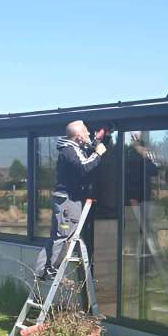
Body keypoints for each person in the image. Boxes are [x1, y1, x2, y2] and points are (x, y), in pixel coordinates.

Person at [34, 120, 107, 280]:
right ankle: (51, 271)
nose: (89, 133)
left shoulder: (72, 149)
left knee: (57, 236)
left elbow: (84, 156)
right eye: (86, 131)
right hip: (69, 201)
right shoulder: (69, 151)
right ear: (79, 136)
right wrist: (98, 153)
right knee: (64, 235)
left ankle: (42, 271)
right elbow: (84, 168)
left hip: (65, 200)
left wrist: (98, 140)